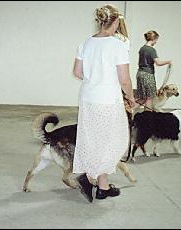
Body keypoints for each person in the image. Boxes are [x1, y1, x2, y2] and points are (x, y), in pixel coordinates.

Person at [72, 4, 135, 202]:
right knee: (113, 141)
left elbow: (77, 72)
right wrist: (131, 98)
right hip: (108, 101)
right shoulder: (118, 45)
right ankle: (94, 180)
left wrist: (94, 80)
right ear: (115, 22)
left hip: (89, 99)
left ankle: (101, 185)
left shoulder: (86, 42)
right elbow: (124, 79)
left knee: (94, 139)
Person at [135, 30, 172, 111]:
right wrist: (168, 62)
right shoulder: (151, 50)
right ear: (154, 39)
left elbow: (139, 62)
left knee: (142, 98)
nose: (156, 42)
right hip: (148, 75)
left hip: (140, 73)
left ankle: (128, 110)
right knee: (150, 98)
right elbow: (158, 63)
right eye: (156, 40)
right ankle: (147, 118)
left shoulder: (142, 49)